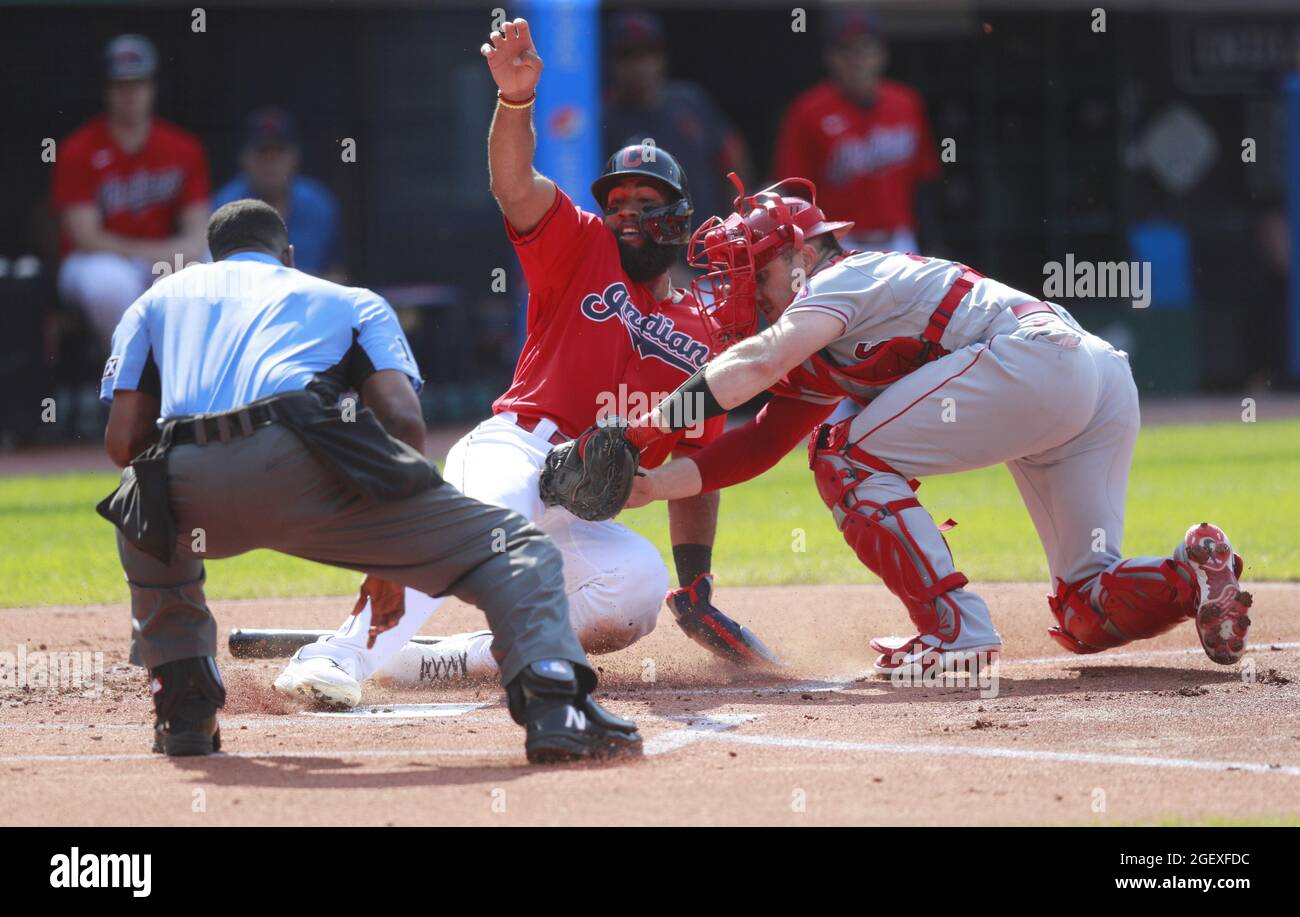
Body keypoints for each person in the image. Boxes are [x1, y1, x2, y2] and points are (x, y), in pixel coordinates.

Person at [271, 17, 773, 708]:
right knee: (477, 525)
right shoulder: (582, 244)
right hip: (518, 447)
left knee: (631, 590)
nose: (625, 213)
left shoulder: (705, 331)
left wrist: (697, 582)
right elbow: (515, 184)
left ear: (680, 218)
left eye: (644, 203)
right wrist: (514, 102)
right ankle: (338, 656)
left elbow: (698, 467)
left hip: (581, 502)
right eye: (617, 201)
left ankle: (453, 658)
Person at [615, 178, 1254, 674]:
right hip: (1084, 381)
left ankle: (955, 631)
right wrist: (653, 484)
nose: (744, 291)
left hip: (1036, 362)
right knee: (1084, 611)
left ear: (805, 255)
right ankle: (1192, 576)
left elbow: (757, 361)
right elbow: (759, 442)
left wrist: (643, 429)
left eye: (757, 270)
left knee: (842, 454)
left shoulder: (845, 278)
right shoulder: (818, 335)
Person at [98, 198, 641, 764]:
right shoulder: (347, 301)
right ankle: (557, 709)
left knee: (140, 509)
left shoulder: (153, 301)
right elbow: (403, 420)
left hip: (182, 483)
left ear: (213, 258)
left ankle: (184, 712)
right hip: (303, 465)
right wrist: (391, 557)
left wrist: (193, 486)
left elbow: (123, 443)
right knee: (520, 549)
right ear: (288, 256)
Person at [52, 34, 211, 347]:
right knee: (111, 285)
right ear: (107, 90)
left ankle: (187, 375)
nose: (130, 94)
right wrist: (152, 257)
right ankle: (128, 379)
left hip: (159, 255)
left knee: (205, 271)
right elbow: (86, 236)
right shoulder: (78, 149)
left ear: (152, 87)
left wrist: (168, 259)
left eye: (138, 83)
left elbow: (199, 231)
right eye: (121, 85)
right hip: (95, 259)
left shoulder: (184, 147)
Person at [773, 9, 940, 254]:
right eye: (846, 50)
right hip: (838, 243)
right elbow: (794, 191)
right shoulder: (807, 111)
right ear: (831, 57)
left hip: (899, 240)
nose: (857, 59)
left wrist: (933, 242)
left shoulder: (907, 104)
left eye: (866, 48)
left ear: (882, 54)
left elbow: (924, 184)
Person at [603, 11, 752, 228]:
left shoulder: (690, 101)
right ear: (611, 62)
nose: (640, 65)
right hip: (648, 255)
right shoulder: (603, 119)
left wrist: (737, 221)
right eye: (628, 55)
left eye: (649, 53)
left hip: (711, 243)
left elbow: (733, 157)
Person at [212, 108, 343, 280]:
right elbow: (216, 280)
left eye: (279, 152)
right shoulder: (225, 207)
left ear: (295, 156)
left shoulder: (319, 204)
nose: (271, 163)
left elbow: (337, 274)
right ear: (244, 158)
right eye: (262, 152)